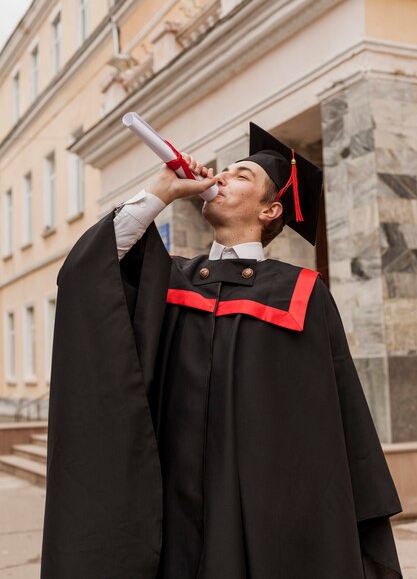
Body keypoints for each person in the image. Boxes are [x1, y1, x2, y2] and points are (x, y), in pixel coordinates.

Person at [40, 123, 403, 578]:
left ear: (271, 210)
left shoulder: (300, 292)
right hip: (170, 507)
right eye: (224, 170)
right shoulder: (172, 281)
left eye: (242, 175)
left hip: (262, 516)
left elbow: (334, 418)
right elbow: (87, 274)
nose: (222, 177)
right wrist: (162, 191)